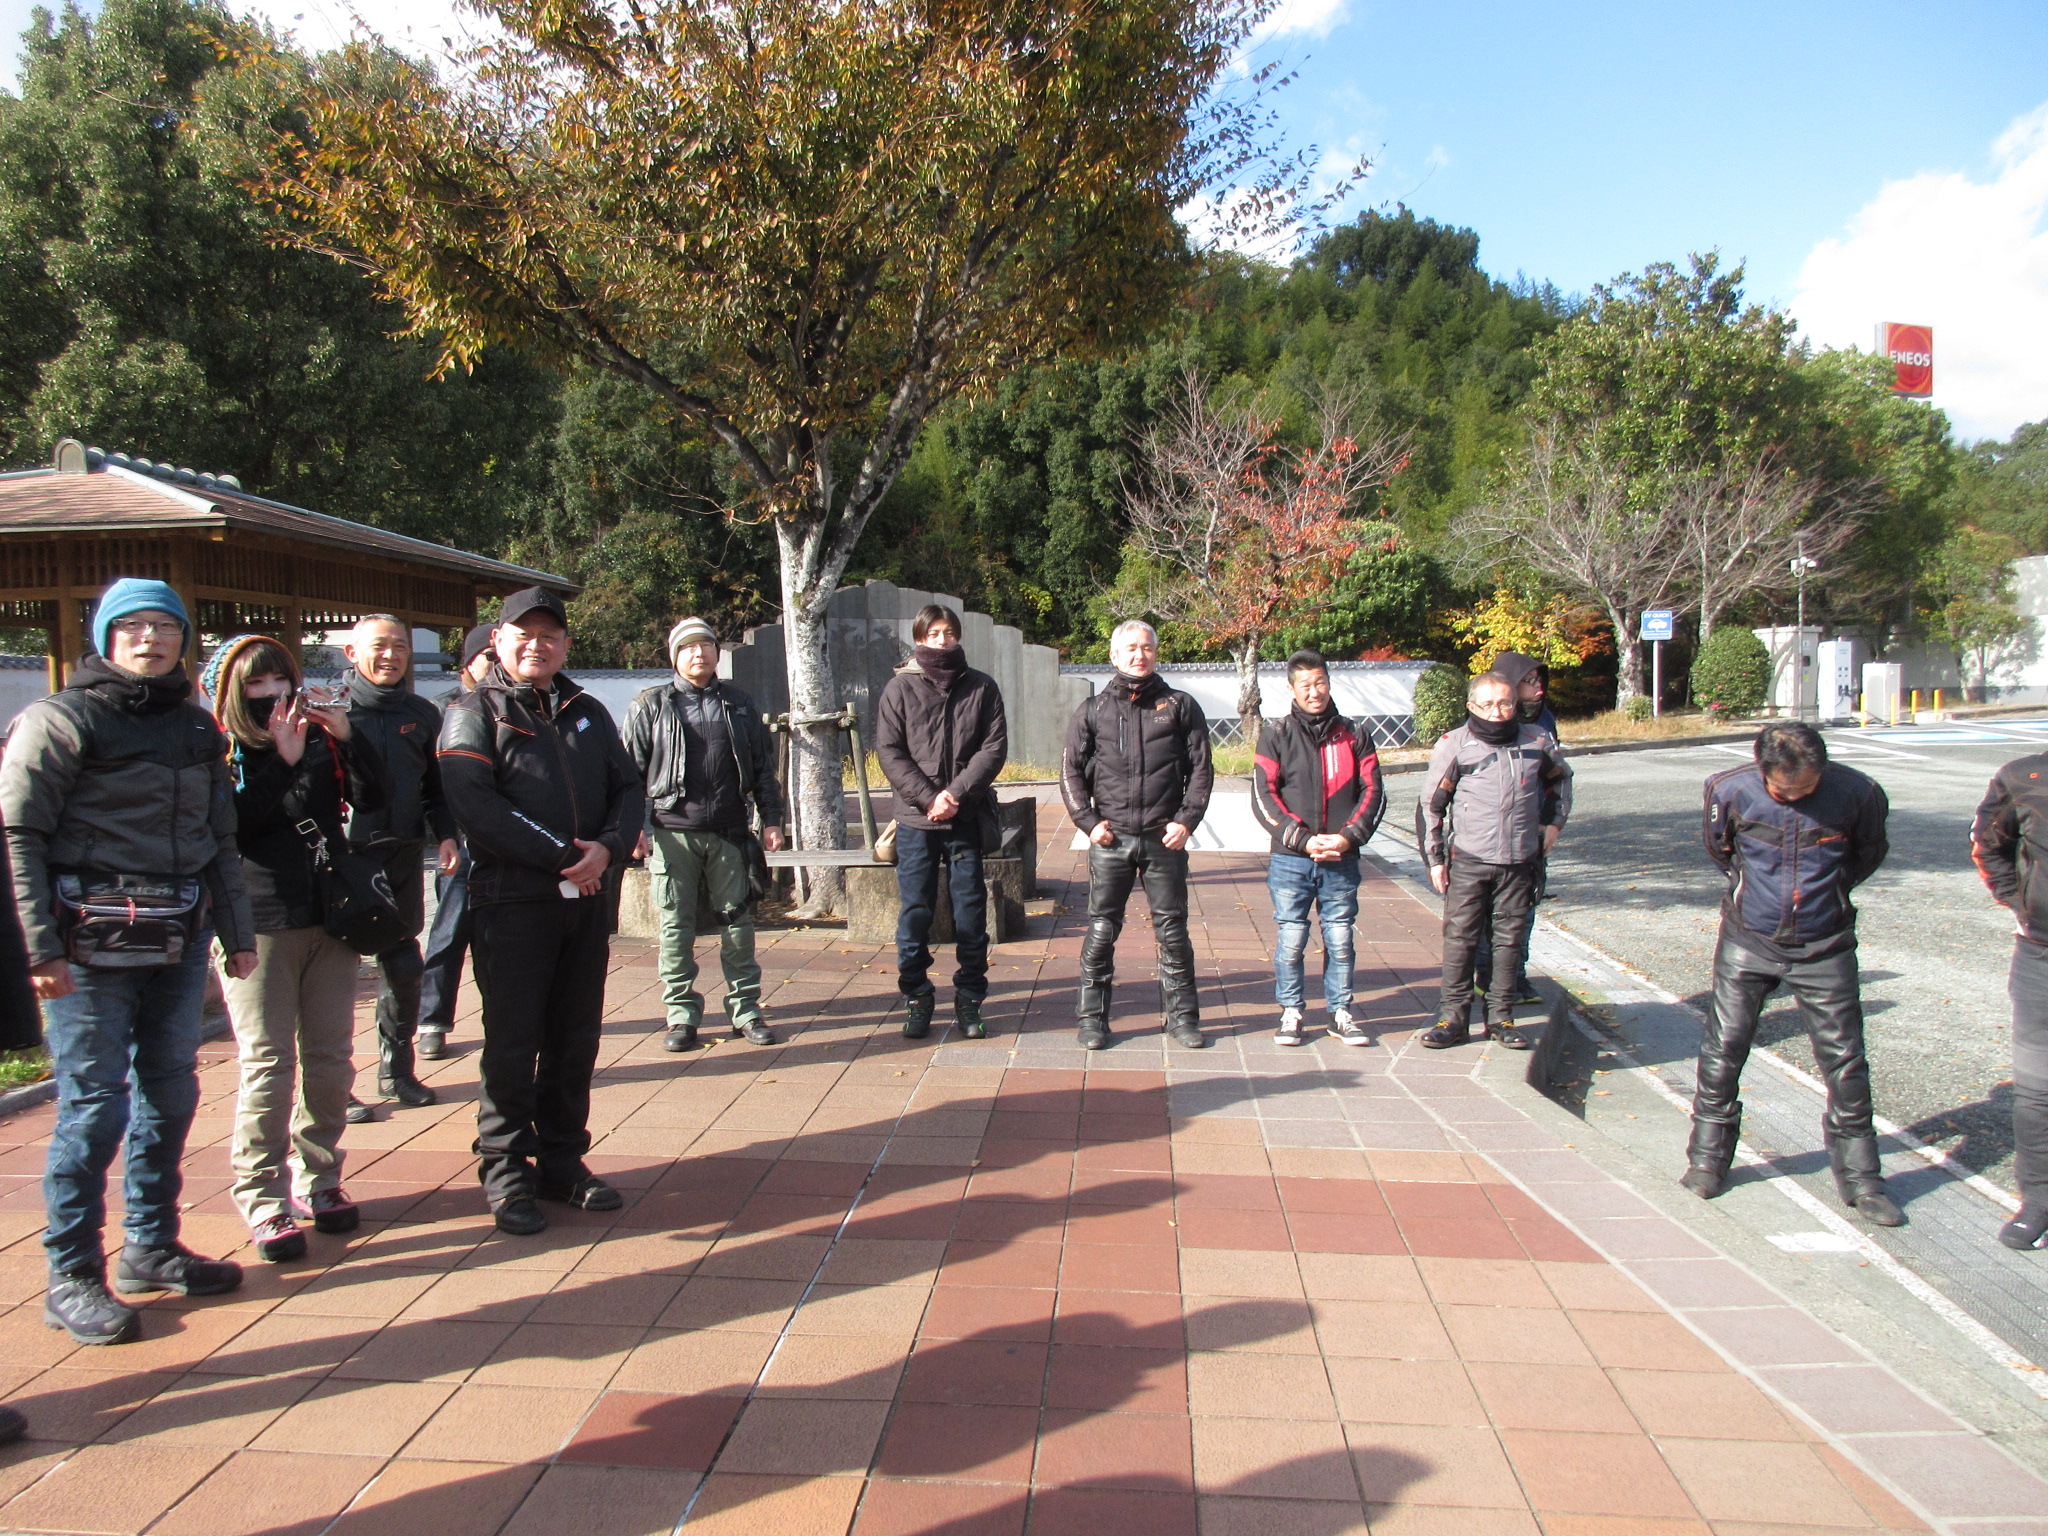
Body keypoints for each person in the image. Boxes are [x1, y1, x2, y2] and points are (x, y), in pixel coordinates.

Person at [1, 578, 255, 1344]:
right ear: (107, 637)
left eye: (165, 626)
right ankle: (72, 1273)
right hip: (86, 946)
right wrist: (39, 947)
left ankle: (152, 1244)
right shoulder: (59, 719)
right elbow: (18, 835)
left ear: (183, 638)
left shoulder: (197, 728)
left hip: (177, 935)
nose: (151, 638)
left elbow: (220, 838)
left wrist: (237, 933)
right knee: (94, 1107)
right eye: (134, 626)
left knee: (171, 1094)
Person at [438, 588, 643, 1236]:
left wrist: (608, 848)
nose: (537, 645)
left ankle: (562, 1161)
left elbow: (628, 785)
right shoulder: (473, 712)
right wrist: (563, 855)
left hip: (586, 901)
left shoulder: (587, 711)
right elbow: (476, 806)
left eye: (549, 635)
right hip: (513, 903)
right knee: (512, 1041)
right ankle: (505, 1170)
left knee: (574, 1039)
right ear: (497, 639)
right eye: (523, 634)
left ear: (566, 645)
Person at [202, 635, 391, 1262]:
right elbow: (232, 826)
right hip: (257, 924)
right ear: (232, 692)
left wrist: (347, 737)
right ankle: (263, 1196)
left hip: (330, 918)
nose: (273, 694)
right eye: (256, 684)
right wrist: (280, 760)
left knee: (331, 1059)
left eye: (281, 679)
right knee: (269, 1064)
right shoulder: (218, 748)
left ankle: (321, 1176)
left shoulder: (315, 738)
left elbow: (374, 798)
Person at [1687, 722, 1901, 1226]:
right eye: (1786, 790)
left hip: (1826, 944)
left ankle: (1863, 1180)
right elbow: (1720, 850)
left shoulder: (1859, 793)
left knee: (1846, 1062)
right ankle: (1707, 1162)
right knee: (1723, 1050)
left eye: (1808, 787)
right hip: (1749, 939)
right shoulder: (1729, 790)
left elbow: (1869, 852)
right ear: (1763, 772)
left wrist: (1829, 895)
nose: (1798, 796)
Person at [622, 617, 784, 1052]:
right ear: (674, 655)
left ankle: (746, 1010)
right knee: (676, 927)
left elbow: (763, 768)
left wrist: (772, 818)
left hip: (729, 832)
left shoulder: (739, 704)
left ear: (716, 653)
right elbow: (629, 775)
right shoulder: (651, 706)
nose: (699, 653)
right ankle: (681, 1015)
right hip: (672, 833)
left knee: (738, 924)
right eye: (688, 647)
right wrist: (632, 829)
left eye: (706, 645)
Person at [1061, 620, 1213, 1051]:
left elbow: (1202, 769)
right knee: (1101, 931)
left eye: (1146, 647)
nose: (1138, 655)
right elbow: (1070, 770)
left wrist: (1186, 820)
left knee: (1173, 932)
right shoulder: (1093, 710)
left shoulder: (1180, 706)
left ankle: (1182, 1018)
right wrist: (1088, 822)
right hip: (1111, 839)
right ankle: (1092, 1020)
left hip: (1164, 839)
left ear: (1156, 653)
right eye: (1130, 648)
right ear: (1114, 655)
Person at [336, 616, 459, 1113]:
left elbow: (436, 785)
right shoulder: (331, 710)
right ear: (352, 653)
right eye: (379, 646)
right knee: (333, 975)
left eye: (400, 647)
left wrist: (446, 833)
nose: (390, 656)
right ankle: (331, 1085)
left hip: (404, 851)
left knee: (404, 966)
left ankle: (397, 1071)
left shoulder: (422, 713)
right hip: (345, 859)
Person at [875, 604, 1010, 1040]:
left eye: (949, 632)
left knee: (971, 912)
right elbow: (890, 752)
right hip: (916, 821)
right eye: (933, 633)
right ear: (919, 638)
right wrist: (929, 798)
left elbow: (993, 748)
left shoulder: (982, 687)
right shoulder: (899, 689)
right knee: (915, 913)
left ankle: (970, 998)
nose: (942, 640)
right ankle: (917, 996)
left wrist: (955, 794)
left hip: (965, 817)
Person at [1419, 670, 1572, 1051]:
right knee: (1461, 940)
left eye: (1505, 703)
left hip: (1520, 860)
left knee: (1509, 941)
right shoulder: (1455, 745)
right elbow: (1431, 805)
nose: (1497, 712)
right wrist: (1435, 858)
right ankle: (1453, 1019)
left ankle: (1501, 1018)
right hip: (1469, 860)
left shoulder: (1536, 740)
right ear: (1471, 706)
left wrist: (1554, 822)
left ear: (1515, 704)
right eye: (1487, 704)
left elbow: (1561, 780)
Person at [1250, 650, 1386, 1046]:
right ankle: (1291, 1012)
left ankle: (1340, 1012)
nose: (1315, 692)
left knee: (1340, 939)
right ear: (1292, 688)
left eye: (1320, 682)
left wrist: (1347, 838)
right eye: (1306, 685)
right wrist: (1303, 839)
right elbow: (1263, 795)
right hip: (1291, 860)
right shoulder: (1276, 734)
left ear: (1329, 682)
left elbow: (1374, 792)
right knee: (1291, 940)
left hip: (1341, 858)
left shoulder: (1355, 733)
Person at [1967, 755, 2048, 1249]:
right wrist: (2020, 905)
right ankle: (2039, 1201)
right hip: (2042, 955)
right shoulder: (2024, 778)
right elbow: (1988, 842)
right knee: (2037, 1091)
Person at [416, 625, 496, 1062]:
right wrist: (445, 833)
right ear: (468, 662)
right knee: (448, 934)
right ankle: (433, 1020)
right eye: (488, 657)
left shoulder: (509, 704)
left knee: (498, 940)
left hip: (502, 841)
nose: (496, 665)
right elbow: (430, 784)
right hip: (460, 843)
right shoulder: (440, 709)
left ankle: (502, 1020)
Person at [1476, 650, 1559, 1007]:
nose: (1538, 686)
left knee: (1524, 909)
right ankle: (1486, 975)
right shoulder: (1482, 721)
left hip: (1530, 833)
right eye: (1529, 680)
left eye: (1539, 679)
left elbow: (1557, 778)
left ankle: (1516, 977)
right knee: (1487, 911)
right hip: (1485, 837)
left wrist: (1553, 821)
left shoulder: (1545, 721)